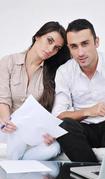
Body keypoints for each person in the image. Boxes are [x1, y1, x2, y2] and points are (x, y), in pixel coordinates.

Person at [52, 19, 105, 162]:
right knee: (64, 126)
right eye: (74, 46)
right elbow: (58, 115)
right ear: (68, 48)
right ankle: (90, 171)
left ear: (96, 42)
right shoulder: (64, 72)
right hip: (84, 131)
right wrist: (88, 111)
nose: (80, 52)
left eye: (85, 43)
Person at [0, 21, 70, 160]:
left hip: (32, 130)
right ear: (37, 36)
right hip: (6, 123)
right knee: (17, 137)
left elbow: (54, 109)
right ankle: (19, 169)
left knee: (54, 148)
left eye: (56, 47)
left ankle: (16, 170)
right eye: (49, 41)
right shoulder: (8, 61)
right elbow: (3, 99)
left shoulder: (53, 72)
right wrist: (7, 122)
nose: (51, 49)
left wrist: (50, 132)